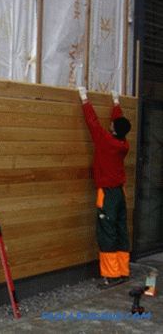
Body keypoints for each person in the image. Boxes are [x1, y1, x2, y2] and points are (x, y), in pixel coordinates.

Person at [78, 87, 132, 288]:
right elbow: (120, 123)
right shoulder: (123, 144)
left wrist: (85, 100)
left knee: (106, 232)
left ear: (114, 130)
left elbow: (92, 123)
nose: (109, 124)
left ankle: (111, 275)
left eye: (112, 124)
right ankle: (123, 271)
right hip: (119, 192)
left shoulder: (105, 141)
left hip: (107, 194)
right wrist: (116, 103)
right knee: (120, 229)